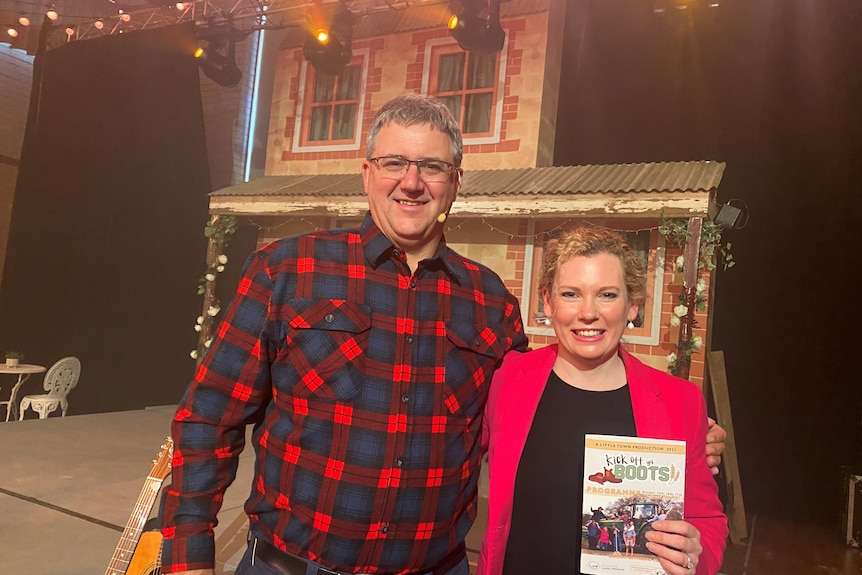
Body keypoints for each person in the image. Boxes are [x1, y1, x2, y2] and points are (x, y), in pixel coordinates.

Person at [160, 95, 727, 575]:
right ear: (367, 173)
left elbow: (543, 412)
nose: (412, 182)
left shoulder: (488, 302)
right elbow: (209, 420)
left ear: (455, 182)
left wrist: (681, 443)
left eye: (432, 167)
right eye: (394, 163)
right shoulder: (287, 270)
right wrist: (188, 557)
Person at [477, 226, 728, 575]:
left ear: (633, 305)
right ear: (547, 302)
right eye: (570, 294)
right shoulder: (508, 380)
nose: (588, 313)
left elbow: (707, 521)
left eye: (607, 295)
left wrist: (694, 553)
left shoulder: (679, 401)